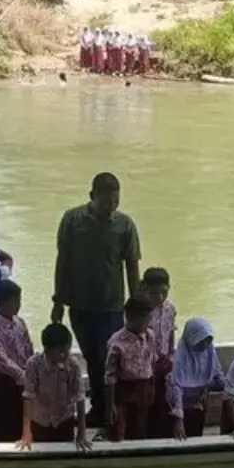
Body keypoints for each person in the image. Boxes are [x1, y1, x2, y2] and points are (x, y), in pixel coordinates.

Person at [52, 173, 141, 427]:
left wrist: (136, 307)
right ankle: (100, 407)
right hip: (79, 305)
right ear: (92, 196)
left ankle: (110, 409)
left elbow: (132, 266)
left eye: (116, 202)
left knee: (108, 359)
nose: (111, 207)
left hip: (112, 306)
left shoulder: (125, 225)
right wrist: (58, 300)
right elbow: (63, 262)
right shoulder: (72, 220)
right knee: (92, 357)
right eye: (106, 202)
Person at [17, 323, 90, 451]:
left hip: (64, 419)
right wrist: (27, 431)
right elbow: (28, 397)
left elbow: (80, 397)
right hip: (40, 420)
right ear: (46, 349)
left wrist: (81, 433)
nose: (65, 355)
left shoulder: (73, 366)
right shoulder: (34, 365)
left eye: (67, 350)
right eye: (60, 351)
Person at [0, 279, 33, 442]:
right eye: (13, 301)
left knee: (20, 415)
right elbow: (0, 357)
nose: (18, 305)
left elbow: (28, 347)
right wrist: (22, 375)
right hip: (2, 380)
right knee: (3, 417)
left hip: (21, 377)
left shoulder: (20, 322)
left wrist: (32, 368)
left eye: (19, 300)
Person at [103, 294, 156, 442]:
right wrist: (111, 404)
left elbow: (151, 361)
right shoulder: (116, 342)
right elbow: (110, 376)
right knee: (119, 428)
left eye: (149, 319)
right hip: (123, 390)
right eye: (144, 319)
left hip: (143, 387)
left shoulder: (150, 335)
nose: (147, 323)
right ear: (130, 316)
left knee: (140, 427)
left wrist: (152, 387)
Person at [169, 318, 223, 438]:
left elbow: (218, 374)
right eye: (200, 341)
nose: (204, 345)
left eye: (207, 340)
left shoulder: (209, 352)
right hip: (179, 408)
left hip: (200, 403)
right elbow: (176, 388)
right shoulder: (178, 358)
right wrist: (179, 420)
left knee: (196, 433)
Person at [143, 267, 177, 438]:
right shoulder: (141, 312)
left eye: (164, 292)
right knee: (148, 402)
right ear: (145, 290)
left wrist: (171, 355)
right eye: (154, 293)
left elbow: (171, 333)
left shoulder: (170, 309)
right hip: (145, 365)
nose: (160, 298)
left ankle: (163, 434)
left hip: (164, 361)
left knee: (165, 400)